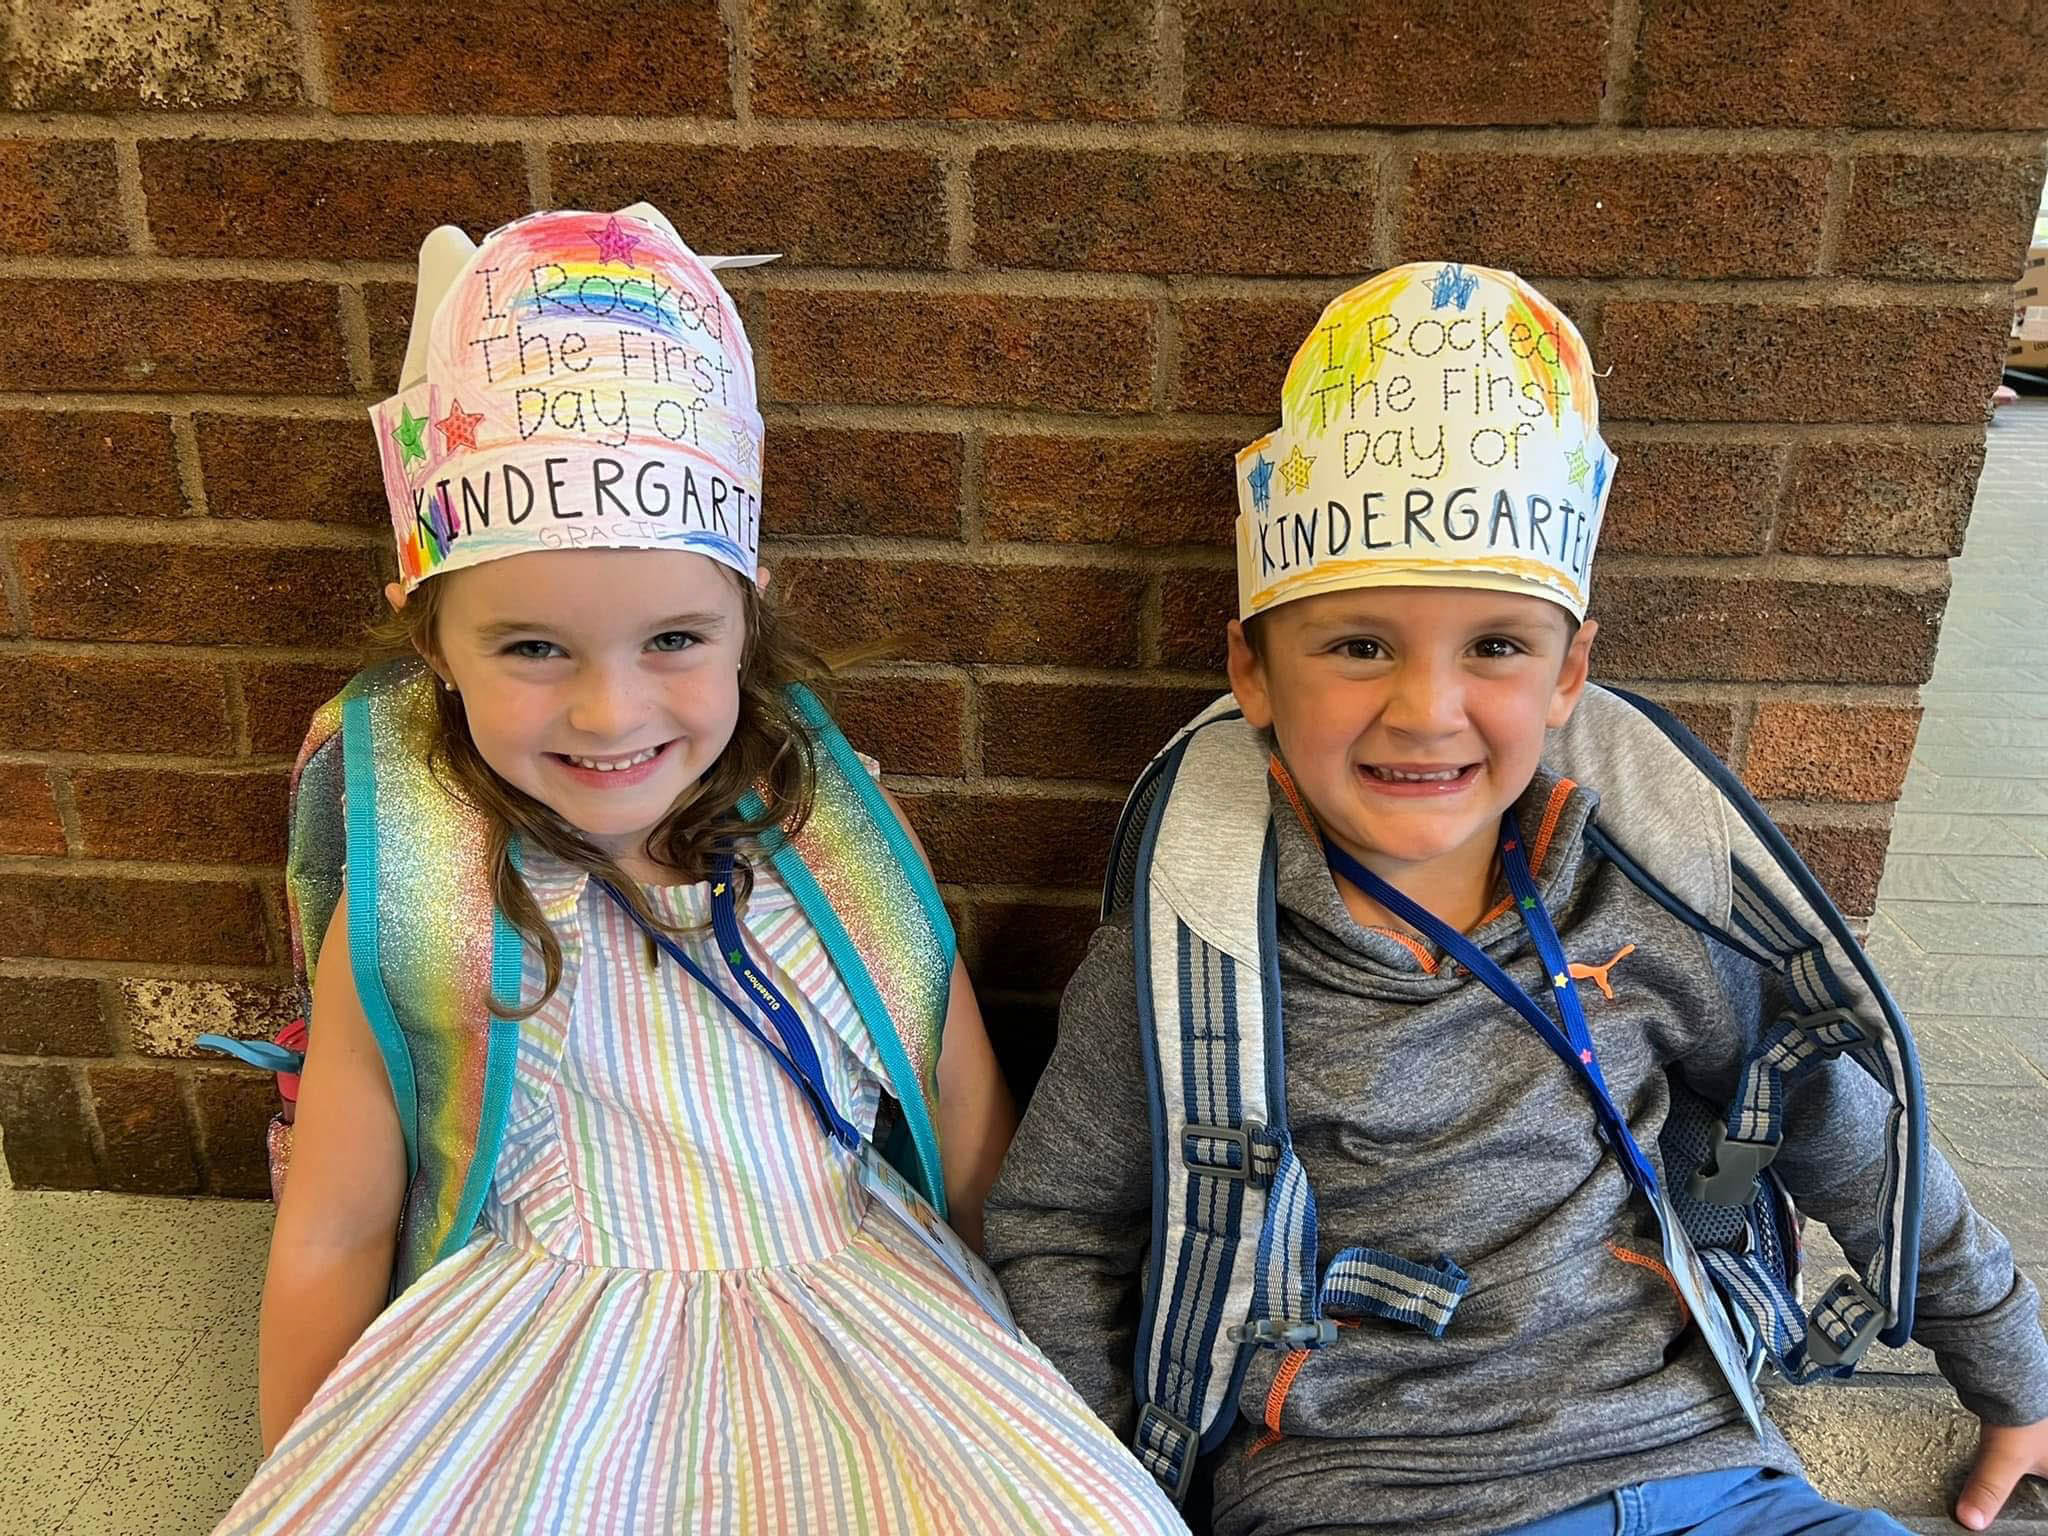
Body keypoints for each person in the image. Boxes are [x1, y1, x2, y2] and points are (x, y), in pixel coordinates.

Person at [983, 262, 2048, 1536]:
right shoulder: (1184, 962)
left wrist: (2011, 1372)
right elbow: (1061, 1229)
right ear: (1251, 671)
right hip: (1368, 1499)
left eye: (1492, 646)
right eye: (1356, 644)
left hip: (1708, 1472)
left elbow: (1842, 1130)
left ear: (1567, 676)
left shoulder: (1654, 911)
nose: (1424, 710)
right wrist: (1092, 1492)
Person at [215, 205, 1186, 1535]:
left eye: (672, 637)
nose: (611, 716)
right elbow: (332, 1229)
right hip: (532, 1351)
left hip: (853, 1307)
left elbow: (969, 1129)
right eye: (533, 649)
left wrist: (1036, 1395)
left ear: (748, 616)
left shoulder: (829, 860)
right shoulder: (430, 900)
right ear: (430, 635)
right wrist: (305, 1478)